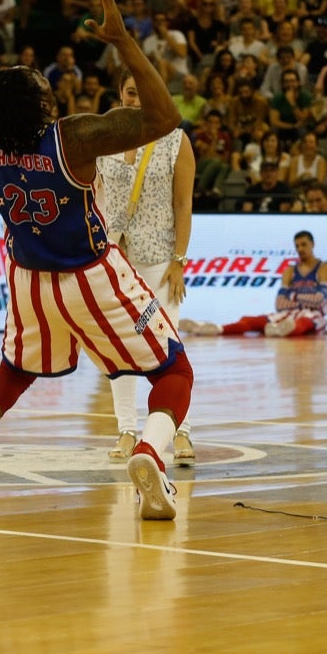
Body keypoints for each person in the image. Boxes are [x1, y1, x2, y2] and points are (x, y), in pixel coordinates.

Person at [0, 0, 192, 521]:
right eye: (44, 86)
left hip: (26, 280)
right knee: (173, 371)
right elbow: (165, 118)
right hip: (93, 274)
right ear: (42, 103)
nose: (51, 87)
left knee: (15, 370)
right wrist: (124, 43)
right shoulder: (75, 137)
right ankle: (151, 455)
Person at [94, 72, 196, 466]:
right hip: (115, 258)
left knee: (168, 350)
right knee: (118, 348)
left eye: (143, 94)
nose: (136, 101)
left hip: (160, 261)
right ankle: (125, 430)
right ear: (120, 94)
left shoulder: (175, 141)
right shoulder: (103, 139)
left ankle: (181, 430)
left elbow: (183, 206)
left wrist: (179, 261)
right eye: (130, 93)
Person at [180, 231, 327, 339]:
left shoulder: (324, 268)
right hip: (289, 313)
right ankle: (215, 329)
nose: (300, 249)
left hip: (313, 315)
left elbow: (321, 300)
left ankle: (281, 330)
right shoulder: (289, 270)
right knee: (252, 321)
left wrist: (292, 296)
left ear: (312, 244)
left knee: (303, 323)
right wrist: (307, 298)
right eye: (297, 246)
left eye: (304, 245)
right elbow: (279, 304)